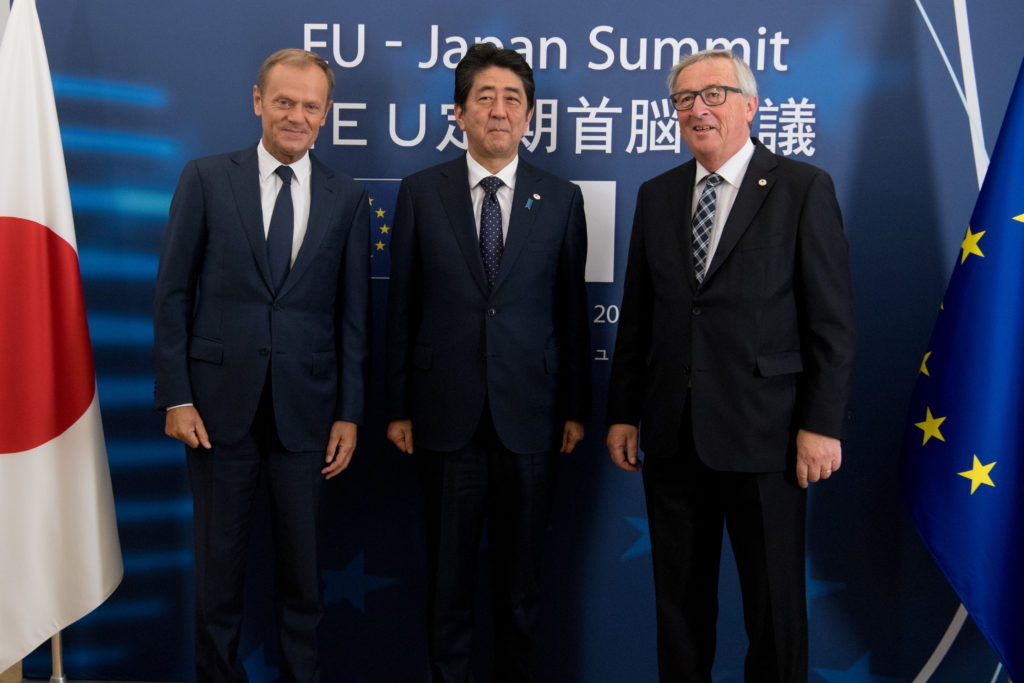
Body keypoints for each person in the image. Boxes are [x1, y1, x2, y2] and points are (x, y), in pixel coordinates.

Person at [605, 49, 855, 682]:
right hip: (671, 434)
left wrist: (822, 424)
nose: (698, 109)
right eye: (684, 99)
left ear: (750, 104)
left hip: (768, 437)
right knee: (679, 611)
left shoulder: (802, 188)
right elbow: (638, 317)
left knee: (773, 611)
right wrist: (623, 414)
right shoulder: (657, 194)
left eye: (713, 94)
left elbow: (830, 321)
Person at [153, 48, 370, 682]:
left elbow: (354, 318)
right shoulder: (204, 178)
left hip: (307, 416)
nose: (296, 116)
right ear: (257, 101)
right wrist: (177, 395)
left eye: (310, 106)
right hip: (216, 414)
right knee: (217, 582)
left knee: (303, 582)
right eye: (284, 101)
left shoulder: (348, 199)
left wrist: (350, 414)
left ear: (325, 114)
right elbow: (171, 293)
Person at [386, 43, 591, 682]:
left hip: (530, 419)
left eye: (512, 100)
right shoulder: (421, 192)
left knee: (521, 588)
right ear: (459, 112)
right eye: (485, 98)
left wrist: (577, 409)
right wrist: (396, 407)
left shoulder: (561, 198)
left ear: (529, 116)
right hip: (444, 419)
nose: (499, 111)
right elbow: (402, 309)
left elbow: (571, 313)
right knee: (448, 586)